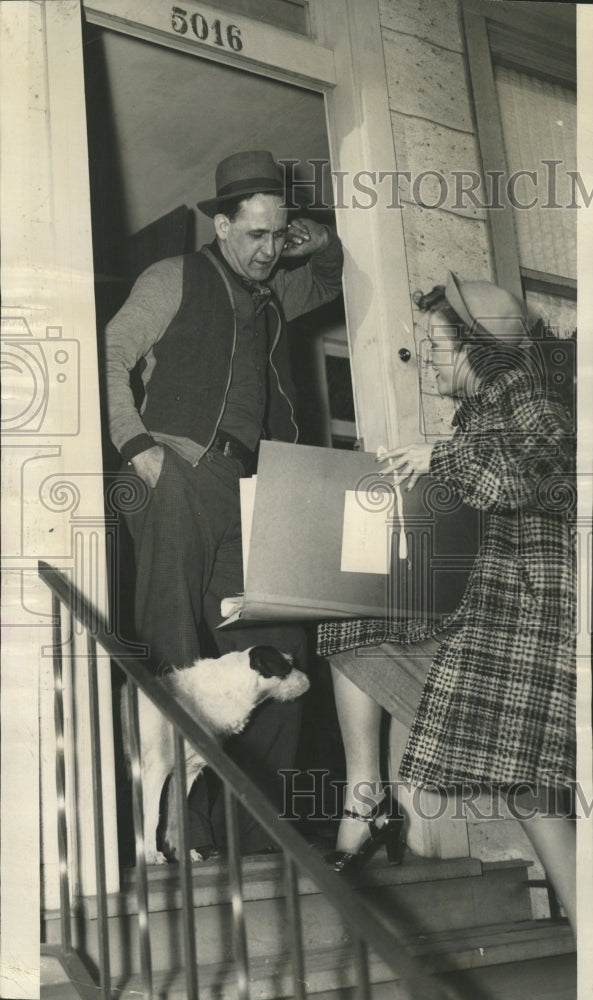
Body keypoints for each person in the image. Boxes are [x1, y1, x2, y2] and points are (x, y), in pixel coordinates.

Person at [317, 273, 577, 934]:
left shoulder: (523, 391)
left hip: (525, 616)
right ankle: (365, 797)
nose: (427, 358)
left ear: (478, 352)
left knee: (533, 786)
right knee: (353, 625)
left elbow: (554, 462)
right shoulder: (486, 403)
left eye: (436, 345)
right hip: (492, 610)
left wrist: (447, 455)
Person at [105, 149, 344, 855]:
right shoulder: (173, 276)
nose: (268, 251)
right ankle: (174, 831)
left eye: (278, 236)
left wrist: (322, 244)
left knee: (283, 654)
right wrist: (134, 447)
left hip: (250, 491)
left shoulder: (274, 295)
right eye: (253, 236)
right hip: (175, 468)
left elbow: (326, 280)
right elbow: (109, 352)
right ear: (220, 225)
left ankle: (256, 837)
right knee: (174, 646)